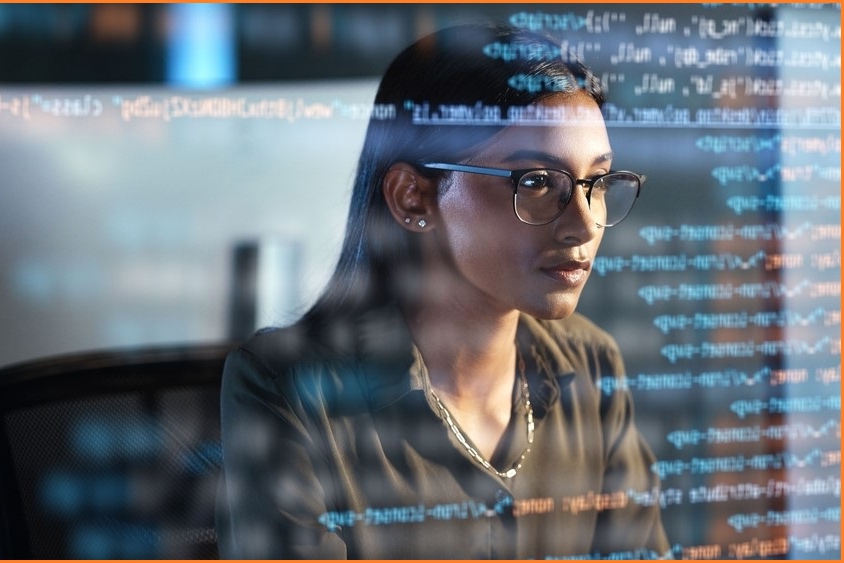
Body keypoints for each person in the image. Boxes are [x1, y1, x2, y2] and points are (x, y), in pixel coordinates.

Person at [217, 22, 669, 559]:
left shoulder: (592, 366)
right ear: (413, 199)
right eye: (537, 182)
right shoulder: (288, 389)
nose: (584, 224)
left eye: (596, 182)